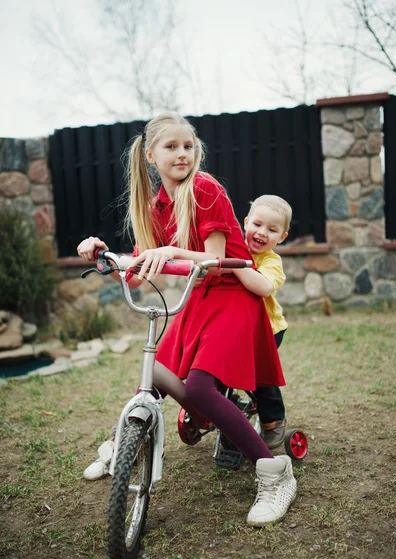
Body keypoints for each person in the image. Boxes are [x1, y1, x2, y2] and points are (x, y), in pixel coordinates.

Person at [77, 112, 297, 526]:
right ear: (150, 156)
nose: (182, 154)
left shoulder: (205, 188)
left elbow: (214, 262)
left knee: (198, 384)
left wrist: (173, 252)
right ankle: (124, 444)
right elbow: (145, 275)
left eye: (188, 146)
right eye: (171, 147)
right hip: (201, 296)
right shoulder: (153, 205)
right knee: (156, 372)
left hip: (232, 293)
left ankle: (274, 473)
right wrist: (106, 254)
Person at [243, 195, 291, 450]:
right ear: (246, 223)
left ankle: (273, 420)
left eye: (272, 230)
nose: (262, 233)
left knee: (262, 375)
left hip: (268, 330)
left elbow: (262, 286)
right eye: (258, 225)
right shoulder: (231, 248)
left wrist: (236, 267)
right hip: (237, 327)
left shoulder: (272, 262)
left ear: (281, 237)